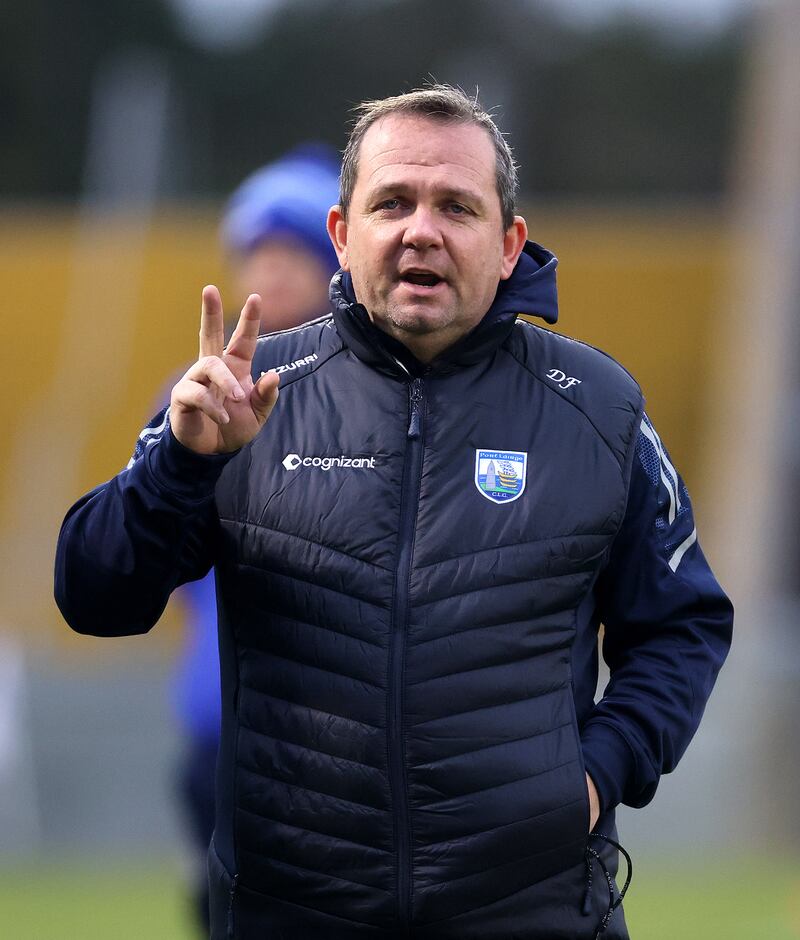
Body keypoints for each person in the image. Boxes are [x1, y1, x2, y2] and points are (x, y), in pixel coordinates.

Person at [55, 85, 733, 940]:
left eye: (457, 205)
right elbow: (94, 598)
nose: (423, 230)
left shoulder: (599, 411)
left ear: (508, 240)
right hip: (291, 913)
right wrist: (180, 466)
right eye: (393, 202)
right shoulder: (245, 397)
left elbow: (684, 627)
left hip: (533, 912)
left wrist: (595, 776)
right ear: (343, 235)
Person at [171, 145, 341, 932]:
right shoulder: (193, 401)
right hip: (220, 729)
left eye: (291, 253)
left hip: (332, 745)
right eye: (255, 253)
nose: (268, 273)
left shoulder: (361, 403)